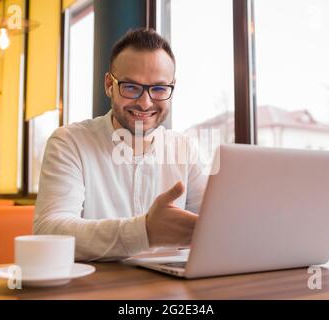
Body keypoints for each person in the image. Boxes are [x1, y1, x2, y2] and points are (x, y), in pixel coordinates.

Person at [34, 28, 208, 261]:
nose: (145, 103)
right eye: (131, 87)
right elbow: (49, 231)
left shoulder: (185, 149)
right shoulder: (70, 142)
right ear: (109, 85)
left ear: (171, 88)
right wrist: (144, 232)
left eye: (158, 89)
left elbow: (215, 224)